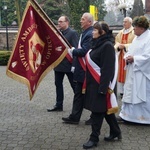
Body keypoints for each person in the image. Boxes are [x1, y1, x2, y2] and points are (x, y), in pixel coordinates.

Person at [83, 21, 122, 149]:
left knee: (97, 112)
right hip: (93, 84)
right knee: (105, 111)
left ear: (102, 32)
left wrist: (103, 89)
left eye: (95, 30)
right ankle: (116, 132)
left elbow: (107, 70)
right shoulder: (96, 44)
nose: (92, 32)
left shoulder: (107, 46)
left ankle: (94, 138)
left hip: (101, 85)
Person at [62, 12, 94, 124]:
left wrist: (72, 51)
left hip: (86, 69)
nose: (80, 21)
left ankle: (94, 117)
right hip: (81, 69)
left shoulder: (90, 34)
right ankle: (74, 117)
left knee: (88, 94)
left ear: (89, 22)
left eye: (83, 19)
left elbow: (84, 51)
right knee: (79, 94)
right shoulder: (85, 32)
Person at [118, 16, 150, 124]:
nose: (133, 29)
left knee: (140, 95)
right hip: (133, 71)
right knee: (130, 93)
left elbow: (148, 56)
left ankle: (143, 118)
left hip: (142, 73)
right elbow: (131, 50)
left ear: (142, 28)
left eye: (135, 27)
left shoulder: (148, 38)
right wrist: (127, 56)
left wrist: (135, 59)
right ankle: (127, 116)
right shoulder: (137, 37)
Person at [47, 16, 79, 112]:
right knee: (58, 84)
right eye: (58, 22)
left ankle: (81, 104)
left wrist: (74, 64)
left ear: (67, 22)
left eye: (61, 22)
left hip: (69, 65)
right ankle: (59, 105)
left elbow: (76, 50)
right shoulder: (58, 33)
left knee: (74, 86)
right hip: (59, 65)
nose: (59, 23)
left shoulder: (72, 33)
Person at [114, 17, 135, 97]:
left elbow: (135, 44)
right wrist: (119, 47)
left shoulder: (134, 32)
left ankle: (129, 90)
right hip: (121, 56)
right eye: (123, 22)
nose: (124, 23)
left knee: (128, 73)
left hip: (129, 56)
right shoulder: (120, 32)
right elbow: (117, 41)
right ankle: (122, 91)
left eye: (125, 22)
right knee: (121, 73)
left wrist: (125, 46)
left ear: (130, 23)